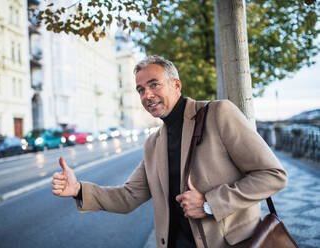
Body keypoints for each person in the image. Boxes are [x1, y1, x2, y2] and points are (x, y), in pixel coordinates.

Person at [52, 55, 287, 248]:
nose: (147, 95)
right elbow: (128, 196)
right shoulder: (153, 144)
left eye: (154, 84)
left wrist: (208, 204)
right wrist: (79, 189)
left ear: (176, 85)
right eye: (140, 90)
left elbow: (272, 175)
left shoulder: (218, 114)